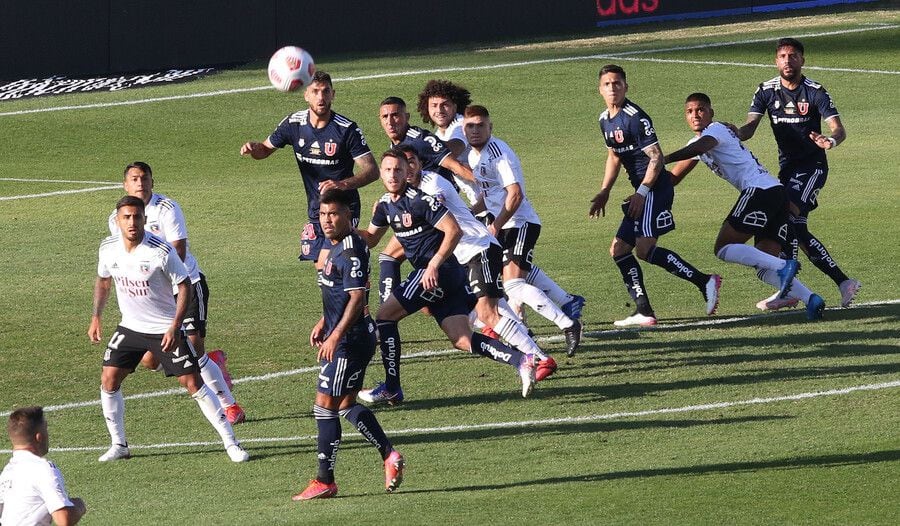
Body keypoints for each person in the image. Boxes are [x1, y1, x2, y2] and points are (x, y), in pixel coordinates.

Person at [358, 151, 538, 403]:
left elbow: (453, 230)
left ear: (406, 173)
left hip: (439, 272)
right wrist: (342, 229)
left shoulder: (421, 200)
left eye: (398, 170)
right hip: (445, 276)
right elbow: (372, 238)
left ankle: (391, 386)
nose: (392, 175)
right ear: (381, 173)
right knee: (462, 339)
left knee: (385, 317)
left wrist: (433, 264)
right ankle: (522, 360)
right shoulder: (385, 205)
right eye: (387, 170)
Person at [89, 196, 249, 462]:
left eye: (136, 217)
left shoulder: (160, 251)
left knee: (193, 384)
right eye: (126, 217)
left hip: (164, 327)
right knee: (109, 378)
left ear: (144, 219)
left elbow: (184, 284)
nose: (132, 222)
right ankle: (119, 444)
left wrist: (175, 326)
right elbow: (103, 281)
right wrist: (96, 316)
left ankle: (232, 443)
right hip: (131, 326)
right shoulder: (107, 248)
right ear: (117, 222)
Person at [391, 144, 558, 380]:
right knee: (495, 308)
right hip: (463, 256)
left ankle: (541, 359)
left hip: (477, 249)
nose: (406, 168)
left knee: (487, 312)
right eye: (400, 165)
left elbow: (435, 225)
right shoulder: (407, 196)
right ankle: (533, 349)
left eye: (411, 162)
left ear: (419, 163)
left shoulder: (431, 186)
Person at [665, 92, 825, 320]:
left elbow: (702, 147)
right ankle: (812, 299)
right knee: (764, 267)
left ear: (711, 112)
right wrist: (644, 185)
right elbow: (673, 179)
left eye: (700, 109)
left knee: (723, 247)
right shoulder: (697, 144)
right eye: (689, 111)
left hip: (760, 191)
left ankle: (783, 264)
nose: (695, 115)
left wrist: (664, 157)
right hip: (775, 194)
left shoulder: (716, 130)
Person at [109, 162, 245, 425]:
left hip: (187, 284)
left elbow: (178, 251)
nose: (140, 183)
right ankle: (213, 364)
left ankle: (230, 406)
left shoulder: (167, 209)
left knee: (194, 352)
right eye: (134, 179)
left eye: (145, 178)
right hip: (153, 297)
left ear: (152, 182)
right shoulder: (117, 218)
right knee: (149, 360)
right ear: (125, 184)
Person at [292, 189, 404, 500]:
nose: (327, 220)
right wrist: (323, 322)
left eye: (334, 214)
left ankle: (324, 480)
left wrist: (335, 335)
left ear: (348, 217)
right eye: (324, 215)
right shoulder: (337, 245)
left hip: (349, 341)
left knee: (324, 407)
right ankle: (389, 455)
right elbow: (337, 294)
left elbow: (357, 298)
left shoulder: (352, 250)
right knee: (344, 405)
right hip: (348, 336)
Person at [589, 64, 721, 327]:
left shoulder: (636, 118)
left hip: (654, 188)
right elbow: (614, 155)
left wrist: (642, 192)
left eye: (617, 83)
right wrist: (605, 190)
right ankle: (644, 310)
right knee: (619, 250)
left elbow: (657, 157)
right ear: (599, 89)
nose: (612, 88)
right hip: (642, 191)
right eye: (607, 84)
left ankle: (705, 281)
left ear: (626, 87)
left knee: (644, 250)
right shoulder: (605, 119)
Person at [733, 37, 859, 309]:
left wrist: (831, 141)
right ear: (775, 60)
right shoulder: (766, 91)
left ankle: (788, 290)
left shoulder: (815, 91)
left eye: (793, 56)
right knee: (797, 229)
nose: (788, 61)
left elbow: (839, 129)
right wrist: (736, 134)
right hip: (787, 169)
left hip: (812, 167)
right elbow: (750, 127)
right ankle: (842, 282)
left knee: (787, 217)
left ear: (802, 59)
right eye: (783, 56)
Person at [464, 105, 584, 356]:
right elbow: (491, 194)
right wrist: (471, 214)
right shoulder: (474, 156)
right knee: (517, 275)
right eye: (470, 126)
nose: (475, 131)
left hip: (520, 223)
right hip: (503, 224)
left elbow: (515, 194)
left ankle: (568, 324)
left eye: (480, 125)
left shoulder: (498, 153)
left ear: (490, 127)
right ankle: (567, 302)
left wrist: (496, 224)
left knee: (514, 285)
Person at [240, 70, 379, 270]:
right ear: (306, 95)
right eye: (315, 91)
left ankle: (360, 281)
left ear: (333, 94)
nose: (320, 97)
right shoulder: (294, 124)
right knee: (323, 268)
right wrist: (254, 149)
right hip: (316, 209)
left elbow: (372, 171)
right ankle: (364, 252)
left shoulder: (346, 129)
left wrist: (342, 184)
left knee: (331, 263)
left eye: (325, 91)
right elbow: (264, 150)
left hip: (343, 208)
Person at [375, 96, 477, 306]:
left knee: (390, 258)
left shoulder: (419, 139)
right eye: (385, 117)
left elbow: (454, 165)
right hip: (419, 214)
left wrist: (489, 191)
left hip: (439, 215)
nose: (391, 121)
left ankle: (386, 316)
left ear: (406, 117)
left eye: (395, 115)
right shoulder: (396, 145)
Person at [0, 406, 86, 526]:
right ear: (39, 437)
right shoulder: (42, 469)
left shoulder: (6, 473)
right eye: (46, 429)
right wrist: (79, 505)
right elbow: (64, 519)